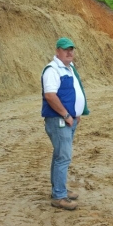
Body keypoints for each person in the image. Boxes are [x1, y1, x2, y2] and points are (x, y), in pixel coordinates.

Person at [41, 37, 89, 210]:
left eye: (71, 49)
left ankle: (59, 189)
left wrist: (77, 113)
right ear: (57, 51)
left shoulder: (69, 68)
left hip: (68, 119)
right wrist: (67, 115)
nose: (69, 52)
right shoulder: (52, 70)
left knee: (59, 156)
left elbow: (73, 92)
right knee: (64, 157)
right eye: (65, 49)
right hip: (59, 120)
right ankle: (59, 196)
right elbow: (50, 96)